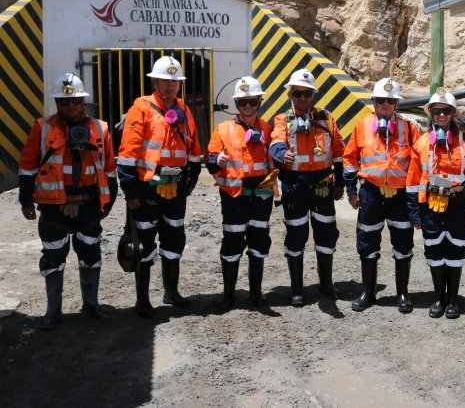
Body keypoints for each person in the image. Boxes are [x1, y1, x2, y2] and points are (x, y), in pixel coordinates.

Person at [18, 72, 118, 329]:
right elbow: (28, 167)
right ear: (57, 103)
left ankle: (92, 305)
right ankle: (53, 312)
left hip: (89, 206)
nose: (70, 106)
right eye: (63, 102)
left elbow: (108, 169)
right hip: (53, 208)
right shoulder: (43, 128)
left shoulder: (101, 128)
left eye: (74, 101)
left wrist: (109, 201)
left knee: (91, 254)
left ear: (83, 101)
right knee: (53, 258)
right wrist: (26, 202)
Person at [117, 56, 202, 318]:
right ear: (155, 81)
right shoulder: (140, 109)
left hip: (175, 187)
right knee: (143, 243)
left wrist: (192, 178)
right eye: (165, 81)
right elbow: (128, 155)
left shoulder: (184, 110)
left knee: (174, 238)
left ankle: (171, 292)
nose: (170, 86)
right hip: (146, 188)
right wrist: (130, 193)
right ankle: (142, 301)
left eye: (174, 82)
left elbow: (194, 148)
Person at [406, 88, 465, 319]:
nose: (441, 115)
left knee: (456, 248)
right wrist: (414, 212)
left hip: (458, 203)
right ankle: (438, 299)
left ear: (453, 113)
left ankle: (452, 300)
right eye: (437, 111)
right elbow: (413, 180)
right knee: (434, 249)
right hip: (431, 204)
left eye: (446, 111)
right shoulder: (422, 143)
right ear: (430, 114)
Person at [269, 68, 345, 306]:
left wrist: (340, 181)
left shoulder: (327, 118)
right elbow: (275, 142)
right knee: (296, 237)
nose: (302, 98)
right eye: (298, 94)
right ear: (290, 95)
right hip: (295, 190)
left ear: (313, 96)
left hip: (323, 189)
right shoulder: (282, 119)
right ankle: (297, 288)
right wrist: (282, 155)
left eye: (307, 94)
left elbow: (340, 152)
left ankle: (326, 284)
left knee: (326, 236)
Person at [343, 78, 420, 313]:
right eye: (381, 100)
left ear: (396, 103)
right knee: (367, 242)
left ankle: (403, 293)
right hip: (371, 194)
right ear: (374, 101)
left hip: (400, 196)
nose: (386, 104)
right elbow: (349, 159)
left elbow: (419, 161)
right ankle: (368, 291)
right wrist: (350, 191)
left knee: (403, 244)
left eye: (391, 100)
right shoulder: (361, 126)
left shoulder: (409, 128)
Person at [206, 76, 277, 312]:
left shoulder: (267, 128)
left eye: (252, 101)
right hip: (234, 196)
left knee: (258, 242)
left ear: (259, 101)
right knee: (232, 243)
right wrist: (217, 160)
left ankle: (256, 294)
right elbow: (210, 160)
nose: (248, 106)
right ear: (237, 104)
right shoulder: (222, 129)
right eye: (243, 102)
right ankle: (228, 296)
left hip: (261, 197)